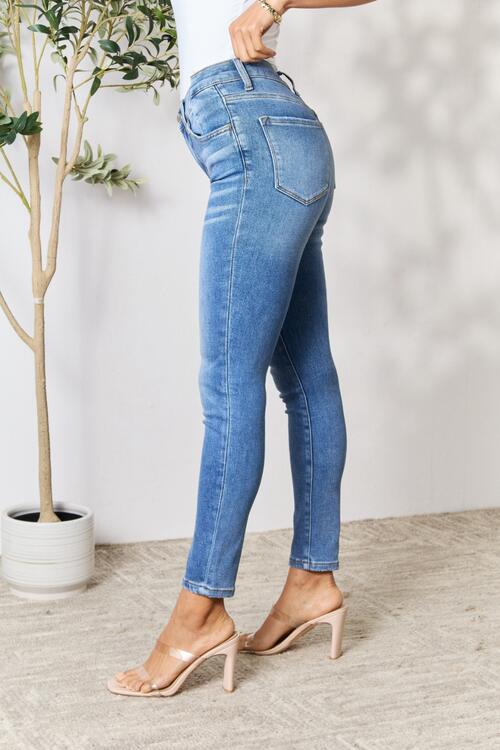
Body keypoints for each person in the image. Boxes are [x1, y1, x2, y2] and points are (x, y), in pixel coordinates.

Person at [107, 0, 376, 698]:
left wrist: (272, 3)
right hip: (280, 132)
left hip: (251, 129)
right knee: (307, 379)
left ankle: (199, 612)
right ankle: (312, 580)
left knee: (230, 388)